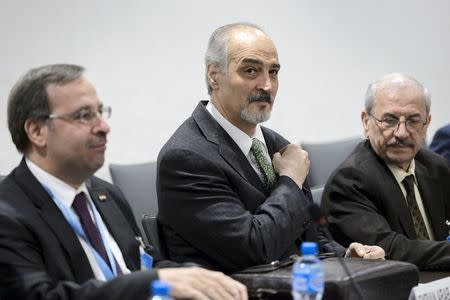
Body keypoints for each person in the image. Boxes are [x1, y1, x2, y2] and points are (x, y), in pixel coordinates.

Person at [0, 64, 247, 300]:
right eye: (84, 115)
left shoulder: (104, 194)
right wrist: (154, 281)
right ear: (37, 131)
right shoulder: (8, 214)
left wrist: (200, 277)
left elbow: (141, 264)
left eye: (100, 112)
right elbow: (41, 296)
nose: (104, 127)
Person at [156, 22, 384, 273]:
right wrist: (290, 180)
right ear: (214, 75)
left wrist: (345, 254)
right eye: (251, 71)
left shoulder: (276, 144)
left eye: (273, 72)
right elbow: (254, 250)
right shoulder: (186, 158)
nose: (267, 85)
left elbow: (307, 236)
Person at [322, 73, 450, 270]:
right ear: (366, 122)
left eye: (414, 121)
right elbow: (390, 249)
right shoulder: (349, 181)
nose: (401, 133)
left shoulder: (437, 167)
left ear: (426, 125)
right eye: (389, 120)